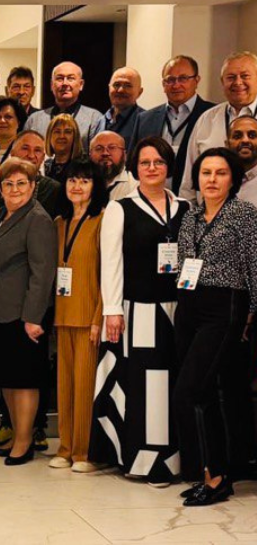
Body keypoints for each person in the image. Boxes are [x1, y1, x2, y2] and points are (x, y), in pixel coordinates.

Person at [91, 136, 188, 485]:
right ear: (135, 167)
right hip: (138, 312)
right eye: (145, 162)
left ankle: (174, 461)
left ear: (168, 167)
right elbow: (111, 263)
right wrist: (112, 310)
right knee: (144, 385)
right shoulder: (121, 208)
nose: (152, 168)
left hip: (178, 311)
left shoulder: (185, 208)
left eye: (158, 162)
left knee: (173, 383)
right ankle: (142, 460)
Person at [173, 148, 257, 506]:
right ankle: (215, 473)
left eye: (220, 173)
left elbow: (255, 265)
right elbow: (182, 262)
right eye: (206, 172)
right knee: (204, 393)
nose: (211, 179)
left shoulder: (244, 215)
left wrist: (252, 313)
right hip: (189, 306)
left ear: (232, 178)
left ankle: (216, 477)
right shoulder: (191, 216)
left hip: (225, 307)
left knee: (189, 391)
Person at [0, 157, 56, 465]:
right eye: (8, 183)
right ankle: (15, 436)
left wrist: (33, 318)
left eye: (21, 183)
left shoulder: (38, 219)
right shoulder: (0, 214)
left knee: (24, 380)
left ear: (33, 186)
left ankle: (24, 442)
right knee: (8, 378)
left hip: (23, 315)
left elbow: (42, 273)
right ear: (0, 188)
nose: (14, 189)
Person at [48, 158, 107, 473]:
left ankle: (84, 453)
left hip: (88, 316)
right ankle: (66, 447)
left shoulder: (103, 220)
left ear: (95, 186)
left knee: (85, 387)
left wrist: (99, 317)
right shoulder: (59, 223)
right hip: (63, 314)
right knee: (65, 387)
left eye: (85, 180)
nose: (77, 186)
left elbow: (108, 274)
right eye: (72, 180)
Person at [180, 51, 257, 200]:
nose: (238, 82)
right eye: (231, 77)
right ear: (222, 82)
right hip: (209, 211)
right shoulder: (206, 119)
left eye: (245, 76)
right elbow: (189, 180)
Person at [135, 55, 214, 194]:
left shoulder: (212, 115)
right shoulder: (145, 119)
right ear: (163, 84)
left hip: (198, 198)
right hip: (152, 198)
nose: (176, 85)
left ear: (197, 80)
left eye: (183, 78)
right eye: (170, 80)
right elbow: (133, 163)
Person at [24, 61, 104, 145]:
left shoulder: (94, 119)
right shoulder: (34, 120)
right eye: (60, 78)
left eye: (70, 78)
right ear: (51, 85)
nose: (65, 83)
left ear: (81, 84)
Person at [104, 67, 145, 153]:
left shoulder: (146, 121)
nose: (120, 90)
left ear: (140, 92)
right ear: (109, 88)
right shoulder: (100, 120)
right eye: (116, 85)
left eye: (128, 86)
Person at [90, 130, 138, 200]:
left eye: (112, 147)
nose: (105, 153)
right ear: (90, 154)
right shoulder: (79, 185)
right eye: (99, 148)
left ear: (124, 155)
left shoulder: (135, 187)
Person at [44, 113, 83, 184]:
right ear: (49, 136)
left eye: (67, 132)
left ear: (75, 137)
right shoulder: (45, 168)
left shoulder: (83, 168)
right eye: (57, 132)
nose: (62, 136)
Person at [228, 115, 257, 205]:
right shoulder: (216, 180)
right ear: (227, 144)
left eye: (252, 136)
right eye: (237, 136)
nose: (245, 140)